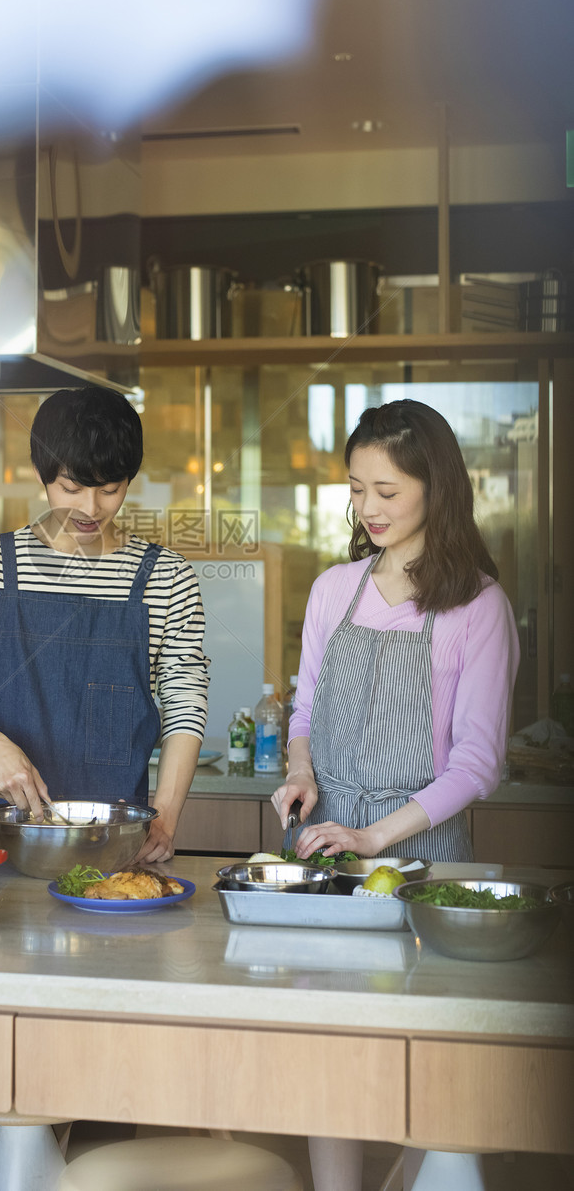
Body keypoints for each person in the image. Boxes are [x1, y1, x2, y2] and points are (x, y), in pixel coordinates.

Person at [271, 398, 519, 1191]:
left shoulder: (478, 606)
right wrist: (301, 775)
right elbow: (304, 710)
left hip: (423, 860)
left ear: (434, 490)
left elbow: (478, 763)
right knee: (328, 1050)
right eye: (356, 489)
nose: (368, 508)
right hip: (328, 855)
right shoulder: (331, 588)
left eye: (388, 490)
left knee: (430, 1060)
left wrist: (377, 838)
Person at [0, 384, 209, 862]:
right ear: (41, 473)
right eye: (72, 488)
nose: (90, 510)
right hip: (11, 838)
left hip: (120, 842)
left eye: (109, 490)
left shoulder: (166, 576)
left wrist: (167, 814)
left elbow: (185, 701)